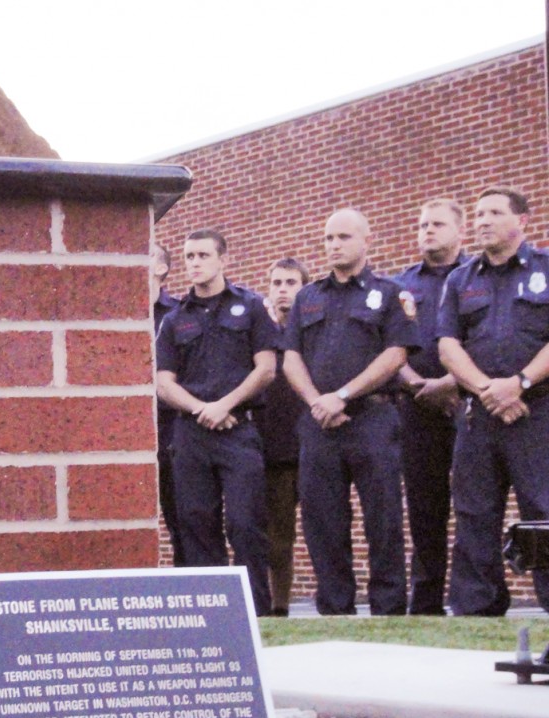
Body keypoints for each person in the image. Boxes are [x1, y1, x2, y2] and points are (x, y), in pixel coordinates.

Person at [282, 209, 418, 615]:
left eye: (343, 236)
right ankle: (335, 610)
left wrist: (341, 395)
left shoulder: (390, 293)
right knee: (322, 523)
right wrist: (316, 402)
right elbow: (290, 358)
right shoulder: (308, 297)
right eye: (328, 238)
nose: (334, 244)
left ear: (366, 240)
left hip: (373, 420)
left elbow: (395, 355)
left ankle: (389, 610)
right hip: (319, 424)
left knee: (384, 518)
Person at [437, 187, 549, 616]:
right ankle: (476, 608)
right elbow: (448, 347)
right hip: (480, 416)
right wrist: (490, 390)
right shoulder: (460, 279)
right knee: (474, 512)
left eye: (494, 213)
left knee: (542, 510)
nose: (482, 220)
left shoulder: (544, 268)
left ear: (522, 219)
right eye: (479, 214)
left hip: (537, 413)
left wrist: (518, 383)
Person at [155, 229, 277, 616]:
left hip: (238, 430)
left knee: (244, 524)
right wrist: (200, 410)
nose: (195, 263)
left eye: (203, 255)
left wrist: (225, 405)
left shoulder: (251, 306)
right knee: (196, 524)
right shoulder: (174, 320)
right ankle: (213, 616)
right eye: (189, 256)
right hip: (190, 435)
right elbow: (162, 382)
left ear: (223, 259)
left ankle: (255, 613)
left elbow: (267, 367)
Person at [395, 199, 468, 615]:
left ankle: (470, 598)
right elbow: (390, 344)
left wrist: (453, 382)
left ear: (460, 230)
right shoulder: (402, 285)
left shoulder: (477, 276)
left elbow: (489, 342)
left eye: (437, 224)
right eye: (422, 224)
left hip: (469, 402)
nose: (427, 231)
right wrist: (418, 384)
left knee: (475, 506)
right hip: (417, 407)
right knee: (425, 507)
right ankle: (425, 603)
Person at [256, 257, 309, 617]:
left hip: (316, 442)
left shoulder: (314, 330)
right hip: (275, 448)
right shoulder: (259, 334)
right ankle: (278, 607)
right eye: (276, 283)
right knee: (278, 535)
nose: (283, 290)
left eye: (291, 282)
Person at [151, 244, 185, 565]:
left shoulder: (177, 314)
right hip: (129, 429)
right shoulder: (118, 312)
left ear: (162, 268)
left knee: (180, 515)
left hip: (170, 426)